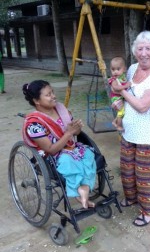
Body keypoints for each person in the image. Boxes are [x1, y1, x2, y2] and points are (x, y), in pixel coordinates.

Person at [112, 31, 150, 226]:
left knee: (146, 175)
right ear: (135, 51)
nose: (143, 53)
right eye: (140, 49)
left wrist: (122, 92)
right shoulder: (133, 68)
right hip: (129, 131)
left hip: (147, 135)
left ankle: (149, 211)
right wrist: (118, 104)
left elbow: (143, 106)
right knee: (127, 171)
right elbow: (125, 95)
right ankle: (132, 198)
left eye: (148, 48)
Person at [22, 80, 96, 209]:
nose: (53, 96)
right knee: (68, 160)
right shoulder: (34, 124)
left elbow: (75, 132)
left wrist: (76, 128)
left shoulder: (61, 110)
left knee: (89, 154)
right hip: (52, 156)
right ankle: (79, 192)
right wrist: (68, 133)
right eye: (48, 94)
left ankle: (84, 189)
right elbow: (50, 150)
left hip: (70, 147)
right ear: (36, 101)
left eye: (53, 92)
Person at [108, 56, 131, 131]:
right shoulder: (114, 79)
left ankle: (115, 122)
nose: (115, 72)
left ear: (124, 69)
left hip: (121, 97)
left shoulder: (123, 77)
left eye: (118, 69)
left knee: (122, 112)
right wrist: (126, 85)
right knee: (121, 113)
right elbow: (115, 88)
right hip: (116, 98)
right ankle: (118, 126)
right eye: (113, 69)